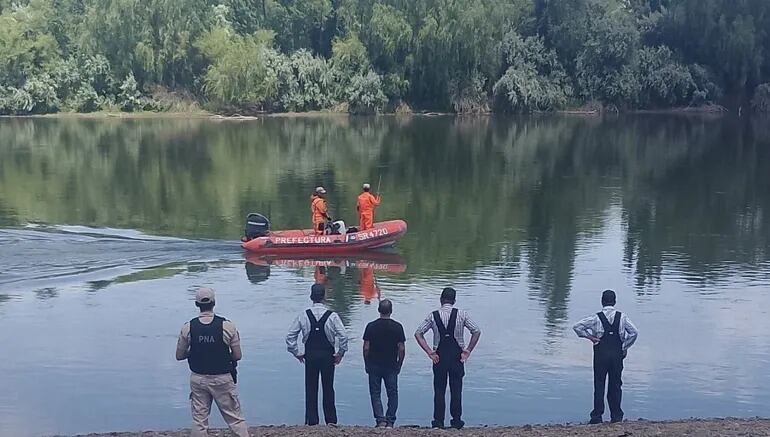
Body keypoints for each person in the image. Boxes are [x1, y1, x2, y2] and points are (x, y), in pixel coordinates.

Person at [175, 288, 249, 437]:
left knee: (199, 420)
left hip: (198, 379)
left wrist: (195, 352)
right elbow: (237, 355)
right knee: (235, 418)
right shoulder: (228, 326)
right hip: (223, 378)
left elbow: (179, 356)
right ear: (214, 303)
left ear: (197, 304)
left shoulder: (188, 327)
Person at [415, 287, 482, 429]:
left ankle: (438, 421)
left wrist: (429, 352)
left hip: (439, 357)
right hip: (457, 357)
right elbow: (476, 331)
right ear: (454, 301)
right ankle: (456, 420)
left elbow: (418, 333)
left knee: (439, 389)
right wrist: (468, 350)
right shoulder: (462, 314)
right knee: (456, 389)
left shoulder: (433, 316)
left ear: (441, 300)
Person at [573, 289, 639, 424]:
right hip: (617, 355)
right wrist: (624, 347)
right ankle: (616, 416)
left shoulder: (596, 318)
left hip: (601, 354)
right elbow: (634, 333)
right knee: (616, 385)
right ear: (614, 302)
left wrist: (590, 337)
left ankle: (597, 416)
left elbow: (577, 327)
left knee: (599, 384)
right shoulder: (622, 317)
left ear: (602, 301)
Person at [286, 284, 349, 426]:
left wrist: (297, 352)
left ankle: (312, 421)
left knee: (310, 387)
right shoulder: (332, 316)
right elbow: (343, 336)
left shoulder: (303, 315)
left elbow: (290, 337)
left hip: (310, 355)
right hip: (327, 355)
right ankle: (331, 420)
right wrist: (340, 353)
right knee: (328, 387)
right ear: (324, 297)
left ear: (311, 297)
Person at [363, 299, 406, 428]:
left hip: (374, 364)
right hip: (391, 365)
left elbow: (366, 347)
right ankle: (390, 420)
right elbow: (401, 349)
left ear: (379, 310)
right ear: (391, 311)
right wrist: (399, 363)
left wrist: (366, 362)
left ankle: (380, 420)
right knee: (392, 393)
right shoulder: (397, 327)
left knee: (375, 393)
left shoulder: (371, 326)